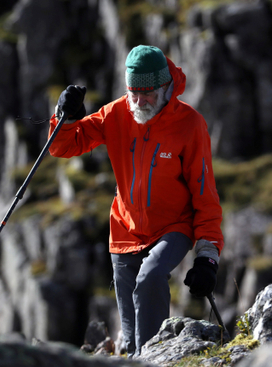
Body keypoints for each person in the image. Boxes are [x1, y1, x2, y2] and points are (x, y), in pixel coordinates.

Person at [48, 45, 224, 357]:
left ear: (165, 87)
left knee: (151, 275)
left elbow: (205, 195)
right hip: (125, 232)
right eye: (134, 93)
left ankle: (155, 360)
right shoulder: (116, 113)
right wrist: (66, 116)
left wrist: (207, 257)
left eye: (148, 94)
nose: (140, 102)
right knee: (130, 340)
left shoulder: (190, 124)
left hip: (174, 226)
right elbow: (64, 146)